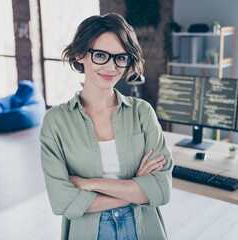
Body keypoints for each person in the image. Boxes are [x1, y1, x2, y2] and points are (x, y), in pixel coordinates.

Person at [40, 13, 173, 240]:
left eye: (121, 58)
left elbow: (161, 190)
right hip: (89, 231)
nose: (111, 67)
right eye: (101, 55)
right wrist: (136, 189)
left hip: (142, 229)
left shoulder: (142, 113)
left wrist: (89, 184)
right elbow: (62, 201)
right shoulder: (56, 121)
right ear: (80, 54)